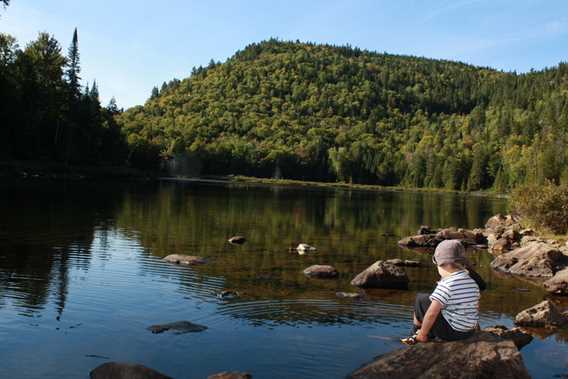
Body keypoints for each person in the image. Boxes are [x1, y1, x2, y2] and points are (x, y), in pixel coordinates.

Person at [402, 239, 483, 344]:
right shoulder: (472, 283)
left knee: (421, 299)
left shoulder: (446, 285)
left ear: (441, 264)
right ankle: (423, 332)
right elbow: (474, 307)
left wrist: (423, 334)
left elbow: (432, 313)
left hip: (451, 333)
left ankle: (418, 333)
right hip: (468, 332)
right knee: (432, 301)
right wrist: (475, 327)